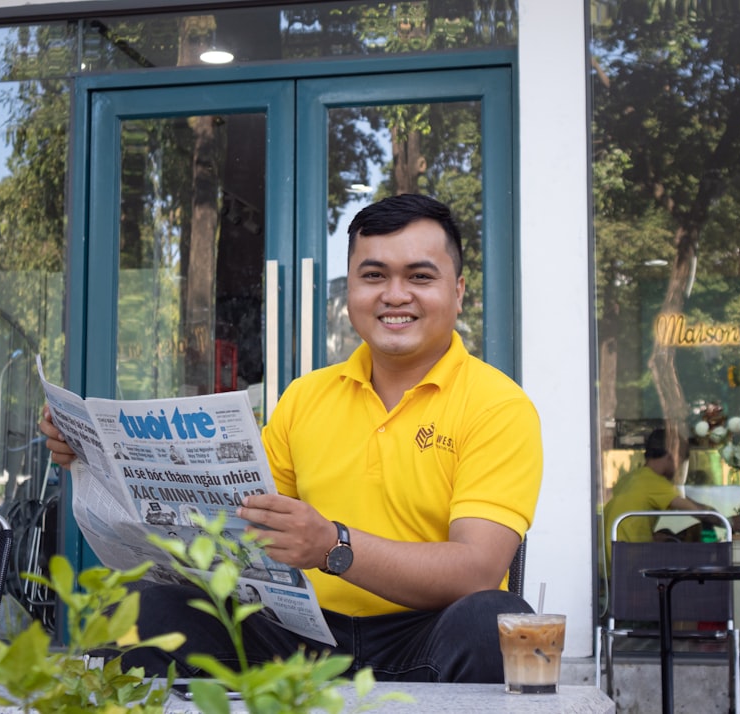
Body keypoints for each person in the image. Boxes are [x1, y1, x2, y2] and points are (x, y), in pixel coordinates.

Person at [40, 193, 543, 683]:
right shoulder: (306, 398)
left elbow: (477, 569)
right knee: (148, 609)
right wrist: (95, 456)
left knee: (495, 618)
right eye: (373, 276)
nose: (394, 295)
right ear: (350, 291)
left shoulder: (498, 406)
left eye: (420, 276)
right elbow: (236, 521)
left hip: (428, 633)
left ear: (458, 290)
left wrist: (334, 546)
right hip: (301, 635)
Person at [602, 428, 740, 559]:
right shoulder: (653, 481)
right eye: (682, 459)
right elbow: (698, 511)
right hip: (629, 564)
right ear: (672, 454)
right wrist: (729, 522)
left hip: (613, 558)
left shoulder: (632, 478)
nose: (679, 467)